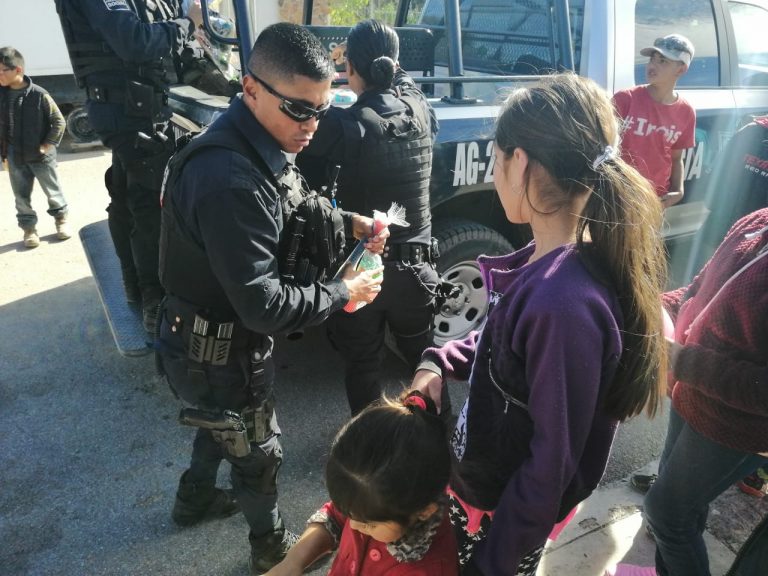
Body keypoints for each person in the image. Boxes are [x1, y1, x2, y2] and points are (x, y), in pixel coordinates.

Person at [409, 73, 669, 576]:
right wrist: (439, 360)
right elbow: (501, 344)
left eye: (496, 158)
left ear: (520, 162)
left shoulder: (562, 304)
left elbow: (551, 465)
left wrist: (492, 563)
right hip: (489, 492)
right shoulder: (550, 263)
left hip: (503, 518)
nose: (495, 171)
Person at [156, 23, 387, 574]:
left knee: (221, 424)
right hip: (217, 347)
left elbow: (293, 202)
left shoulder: (260, 139)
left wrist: (350, 223)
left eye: (322, 110)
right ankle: (271, 545)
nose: (312, 126)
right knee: (257, 449)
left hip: (211, 343)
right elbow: (263, 305)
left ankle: (193, 500)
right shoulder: (229, 178)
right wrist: (345, 290)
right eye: (299, 110)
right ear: (251, 88)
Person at [609, 208, 768, 576]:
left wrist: (680, 360)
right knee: (683, 504)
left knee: (667, 515)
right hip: (691, 396)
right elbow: (699, 291)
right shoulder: (758, 221)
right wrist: (653, 309)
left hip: (735, 425)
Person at [296, 19, 441, 416]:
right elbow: (403, 82)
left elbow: (304, 138)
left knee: (363, 367)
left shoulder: (343, 125)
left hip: (362, 274)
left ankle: (371, 444)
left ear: (350, 70)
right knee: (425, 365)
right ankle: (438, 437)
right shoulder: (420, 108)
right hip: (417, 273)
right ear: (395, 65)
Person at [54, 0, 203, 332]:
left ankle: (134, 285)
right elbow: (135, 42)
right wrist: (188, 23)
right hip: (127, 112)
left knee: (127, 197)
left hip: (133, 107)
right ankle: (154, 300)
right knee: (151, 207)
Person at [264, 391, 459, 576]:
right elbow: (335, 517)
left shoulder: (428, 570)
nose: (354, 525)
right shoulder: (371, 503)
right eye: (350, 514)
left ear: (424, 511)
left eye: (369, 525)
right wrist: (291, 563)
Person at [613, 34, 696, 209]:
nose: (652, 65)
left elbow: (676, 158)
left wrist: (678, 190)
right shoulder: (625, 99)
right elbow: (601, 148)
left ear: (681, 70)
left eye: (663, 61)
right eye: (652, 59)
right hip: (617, 197)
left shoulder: (686, 112)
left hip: (654, 201)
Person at [0, 46, 70, 249]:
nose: (0, 75)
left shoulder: (39, 95)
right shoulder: (2, 95)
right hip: (14, 155)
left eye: (3, 70)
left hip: (41, 156)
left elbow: (59, 121)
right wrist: (4, 154)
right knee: (21, 197)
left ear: (18, 70)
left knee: (53, 192)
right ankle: (29, 229)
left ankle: (61, 221)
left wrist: (47, 146)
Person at [686, 114, 768, 276]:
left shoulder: (750, 130)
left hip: (748, 237)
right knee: (700, 278)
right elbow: (717, 176)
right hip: (723, 229)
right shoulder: (751, 131)